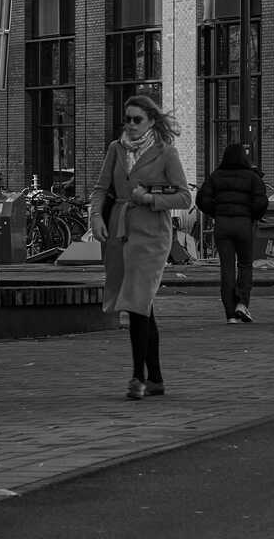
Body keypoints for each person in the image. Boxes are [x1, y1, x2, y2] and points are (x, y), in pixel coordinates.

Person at [90, 93, 193, 400]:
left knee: (137, 301)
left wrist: (149, 198)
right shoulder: (116, 149)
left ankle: (138, 377)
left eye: (137, 119)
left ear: (151, 121)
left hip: (152, 235)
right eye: (127, 119)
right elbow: (101, 188)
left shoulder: (165, 153)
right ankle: (156, 378)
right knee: (141, 304)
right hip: (120, 232)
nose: (131, 125)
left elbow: (184, 197)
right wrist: (96, 217)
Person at [197, 143, 269, 324]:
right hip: (244, 224)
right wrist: (252, 215)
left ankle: (230, 313)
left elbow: (202, 199)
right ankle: (242, 303)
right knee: (245, 264)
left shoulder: (216, 176)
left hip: (222, 224)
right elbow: (262, 202)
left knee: (227, 267)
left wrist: (216, 212)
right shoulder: (252, 178)